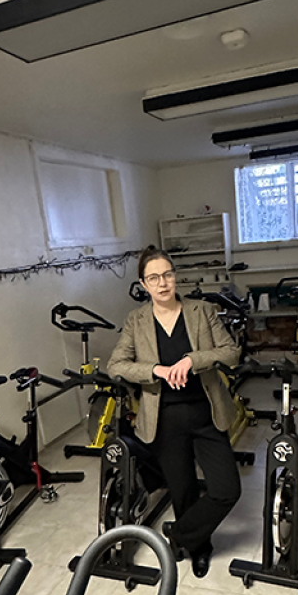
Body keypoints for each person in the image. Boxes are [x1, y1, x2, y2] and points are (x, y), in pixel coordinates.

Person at [107, 246, 242, 577]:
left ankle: (179, 534)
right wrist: (155, 370)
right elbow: (116, 365)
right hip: (164, 419)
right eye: (153, 278)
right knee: (183, 491)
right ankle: (199, 547)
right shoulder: (136, 320)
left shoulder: (202, 311)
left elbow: (230, 352)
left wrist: (192, 360)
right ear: (144, 284)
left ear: (175, 275)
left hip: (207, 414)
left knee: (226, 490)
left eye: (167, 274)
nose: (162, 283)